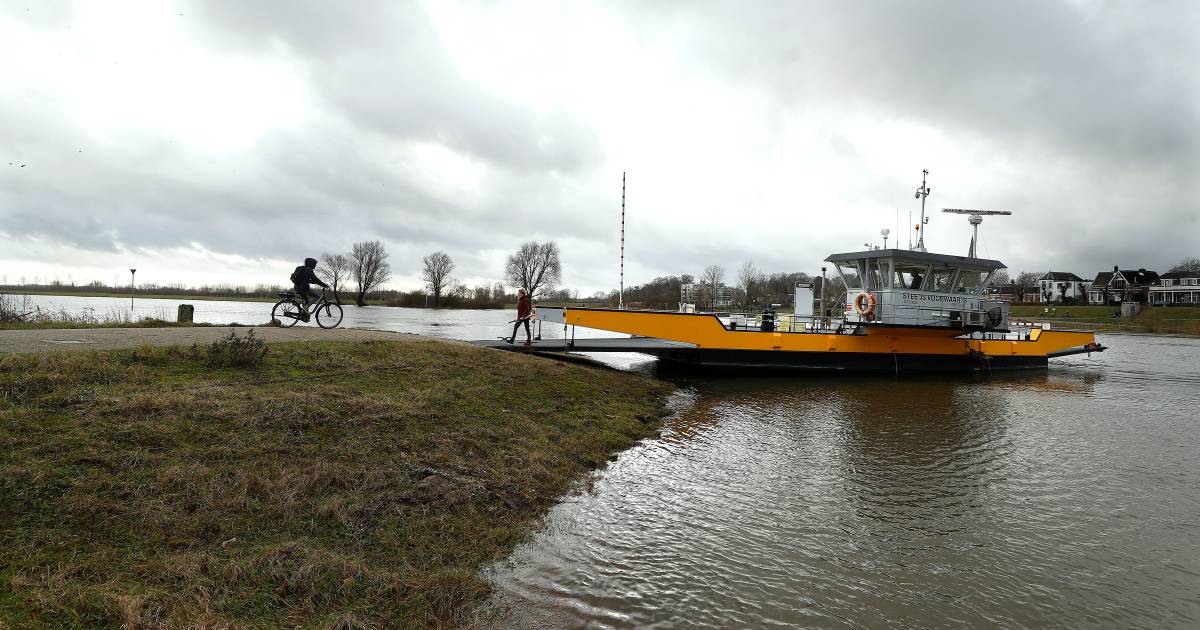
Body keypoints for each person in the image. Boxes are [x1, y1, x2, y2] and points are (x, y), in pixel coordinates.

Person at [291, 257, 329, 321]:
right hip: (304, 289)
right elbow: (315, 279)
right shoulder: (309, 269)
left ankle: (305, 316)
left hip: (296, 288)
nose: (315, 265)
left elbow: (303, 279)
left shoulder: (300, 268)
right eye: (314, 264)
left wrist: (311, 281)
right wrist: (324, 285)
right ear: (311, 264)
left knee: (307, 301)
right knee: (317, 296)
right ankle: (305, 309)